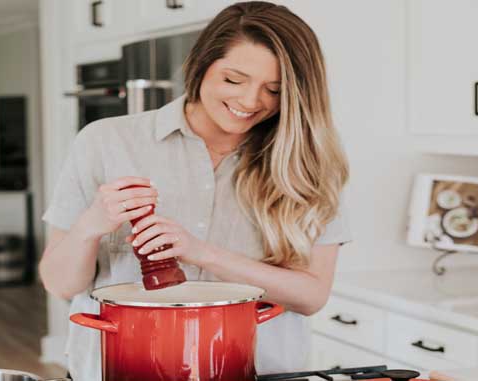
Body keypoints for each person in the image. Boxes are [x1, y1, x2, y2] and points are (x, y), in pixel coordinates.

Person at [38, 1, 350, 380]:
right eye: (233, 80)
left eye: (274, 90)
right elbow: (59, 283)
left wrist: (202, 253)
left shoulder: (308, 164)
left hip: (255, 372)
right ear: (201, 64)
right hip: (116, 370)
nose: (250, 102)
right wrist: (91, 226)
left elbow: (311, 296)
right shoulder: (106, 141)